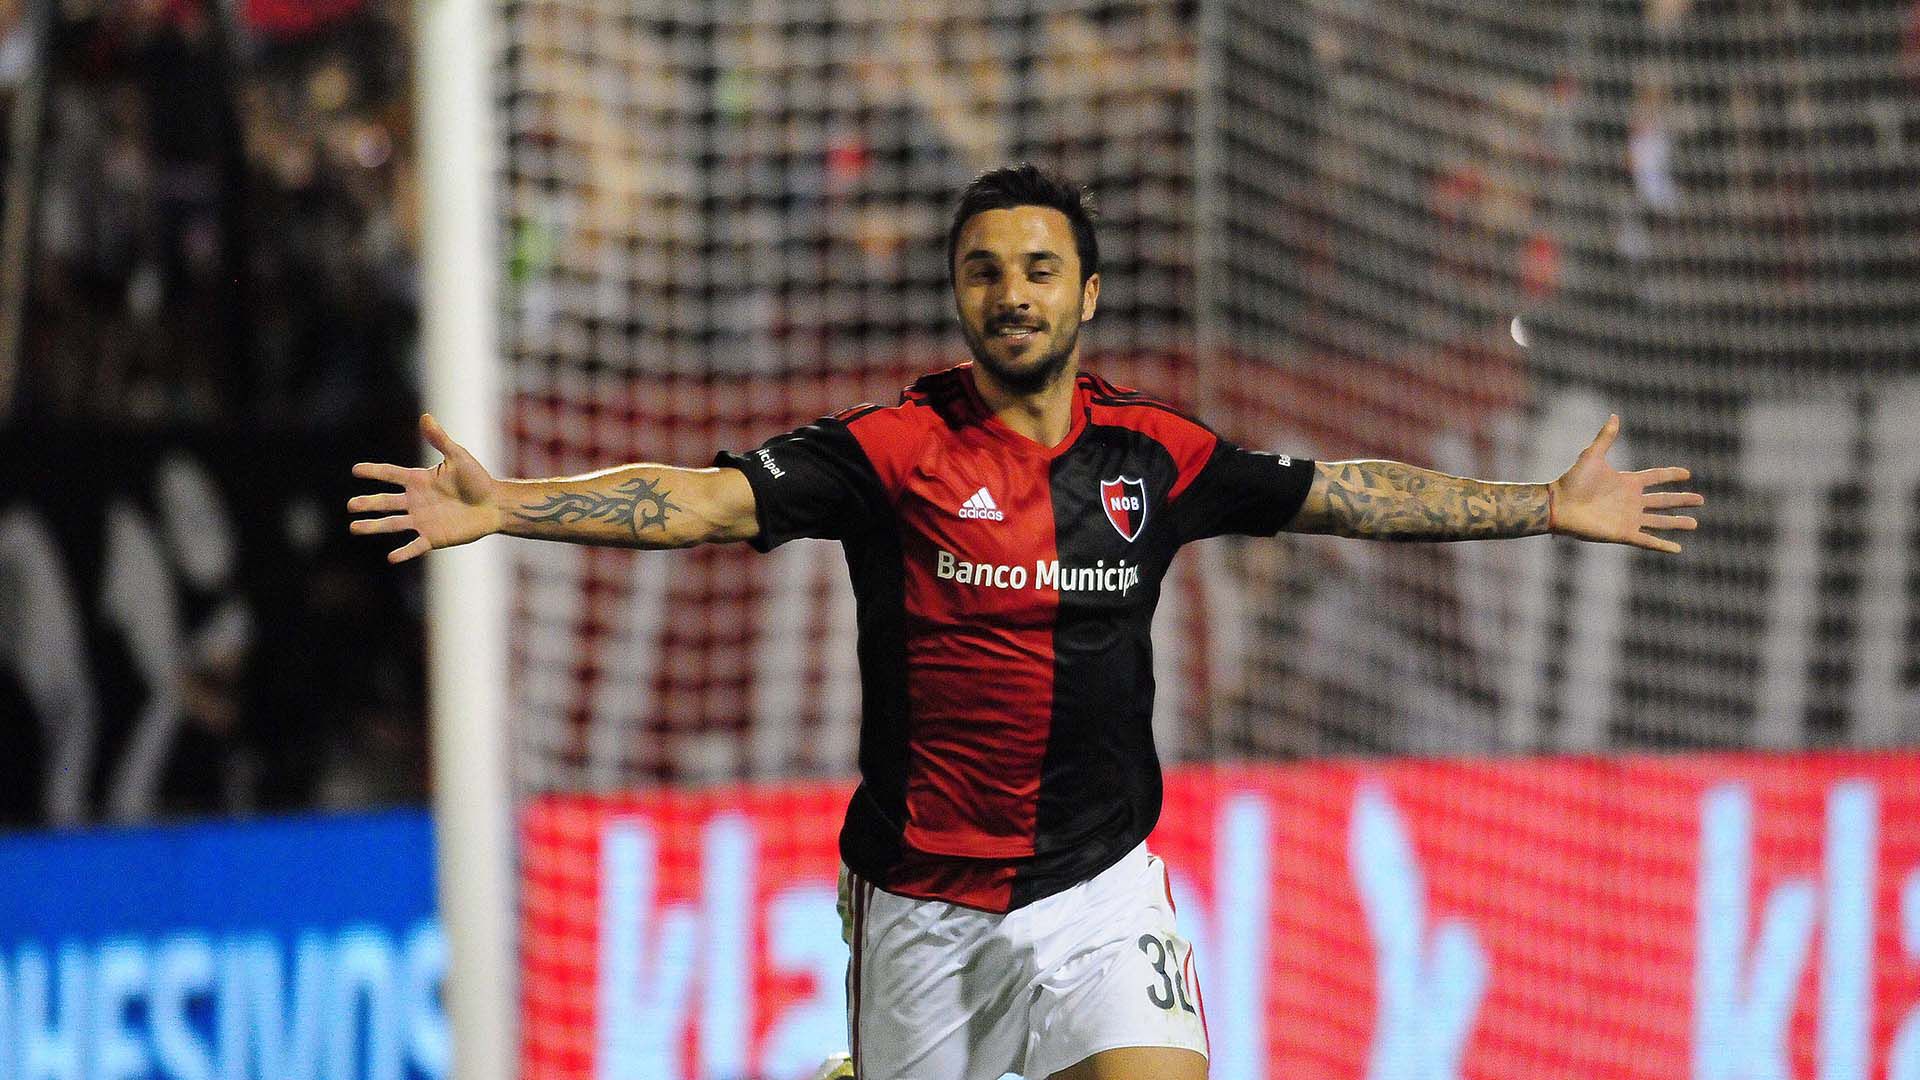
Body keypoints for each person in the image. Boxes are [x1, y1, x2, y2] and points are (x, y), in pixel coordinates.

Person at [349, 164, 1702, 1080]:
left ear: (1086, 295)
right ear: (960, 295)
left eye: (1040, 269)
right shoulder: (893, 449)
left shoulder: (1153, 454)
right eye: (986, 270)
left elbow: (1341, 495)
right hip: (924, 901)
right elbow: (700, 504)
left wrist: (1543, 506)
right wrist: (509, 506)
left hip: (1101, 884)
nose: (1012, 292)